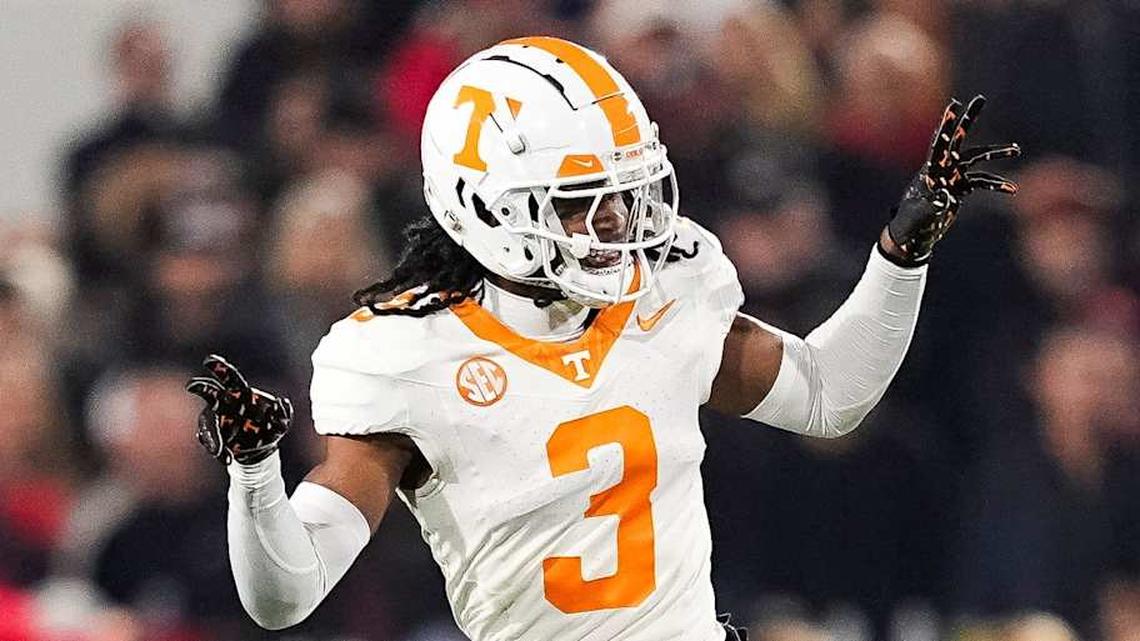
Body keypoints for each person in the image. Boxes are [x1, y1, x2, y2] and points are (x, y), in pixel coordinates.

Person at [184, 37, 1018, 641]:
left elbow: (828, 396)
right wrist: (256, 476)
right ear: (485, 206)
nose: (618, 223)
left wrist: (902, 253)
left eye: (625, 192)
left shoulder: (667, 289)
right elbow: (287, 595)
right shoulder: (407, 355)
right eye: (582, 198)